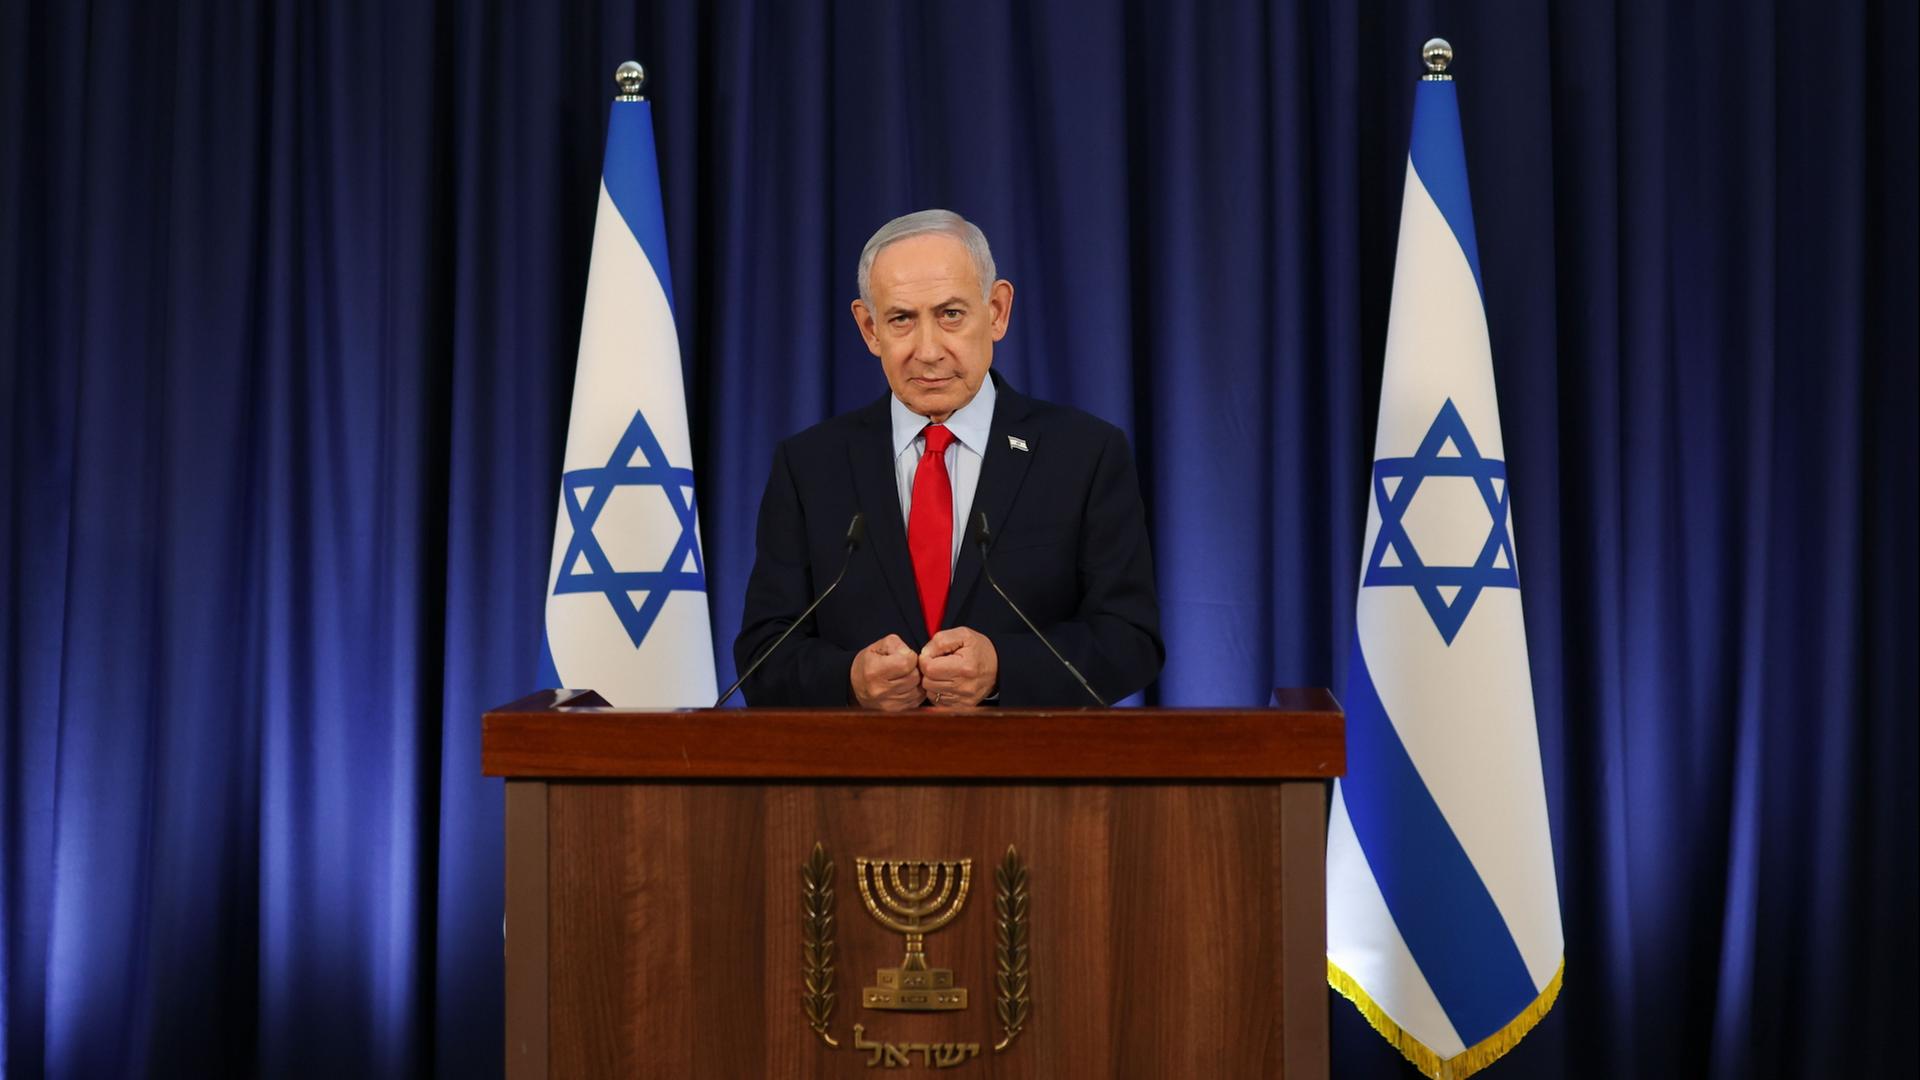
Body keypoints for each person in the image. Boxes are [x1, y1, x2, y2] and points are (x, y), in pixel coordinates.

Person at [734, 209, 1163, 708]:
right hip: (859, 777)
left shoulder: (1084, 454)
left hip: (1032, 777)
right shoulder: (809, 465)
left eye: (951, 314)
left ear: (997, 311)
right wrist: (848, 677)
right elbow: (763, 653)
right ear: (870, 328)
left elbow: (1131, 641)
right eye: (901, 319)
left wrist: (1003, 667)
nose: (929, 350)